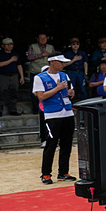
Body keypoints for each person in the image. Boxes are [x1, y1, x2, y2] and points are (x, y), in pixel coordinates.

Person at [33, 54, 76, 184]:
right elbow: (41, 96)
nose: (63, 65)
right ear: (52, 62)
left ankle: (63, 172)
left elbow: (71, 92)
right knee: (51, 144)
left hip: (67, 112)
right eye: (60, 62)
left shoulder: (64, 76)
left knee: (66, 144)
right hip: (52, 114)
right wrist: (57, 88)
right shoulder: (39, 78)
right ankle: (46, 174)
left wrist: (70, 93)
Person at [0, 38, 26, 116]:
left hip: (14, 75)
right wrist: (11, 60)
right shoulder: (0, 54)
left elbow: (19, 65)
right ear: (3, 46)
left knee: (14, 92)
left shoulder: (15, 54)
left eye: (11, 44)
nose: (9, 46)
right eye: (7, 45)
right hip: (2, 76)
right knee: (1, 92)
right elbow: (0, 64)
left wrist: (22, 76)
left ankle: (13, 109)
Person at [64, 38, 89, 102]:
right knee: (71, 87)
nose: (75, 45)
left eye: (77, 44)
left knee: (82, 88)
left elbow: (85, 63)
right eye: (73, 44)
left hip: (80, 72)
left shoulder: (82, 53)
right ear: (70, 45)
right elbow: (64, 65)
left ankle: (84, 102)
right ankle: (70, 101)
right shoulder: (67, 54)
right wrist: (73, 60)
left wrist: (86, 73)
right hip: (71, 72)